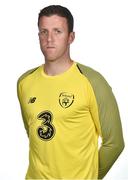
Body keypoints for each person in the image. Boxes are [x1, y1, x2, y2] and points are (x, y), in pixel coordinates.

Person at [17, 5, 125, 180]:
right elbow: (33, 132)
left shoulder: (92, 82)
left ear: (71, 37)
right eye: (44, 32)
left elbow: (114, 144)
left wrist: (90, 176)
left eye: (57, 31)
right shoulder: (24, 82)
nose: (49, 39)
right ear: (38, 36)